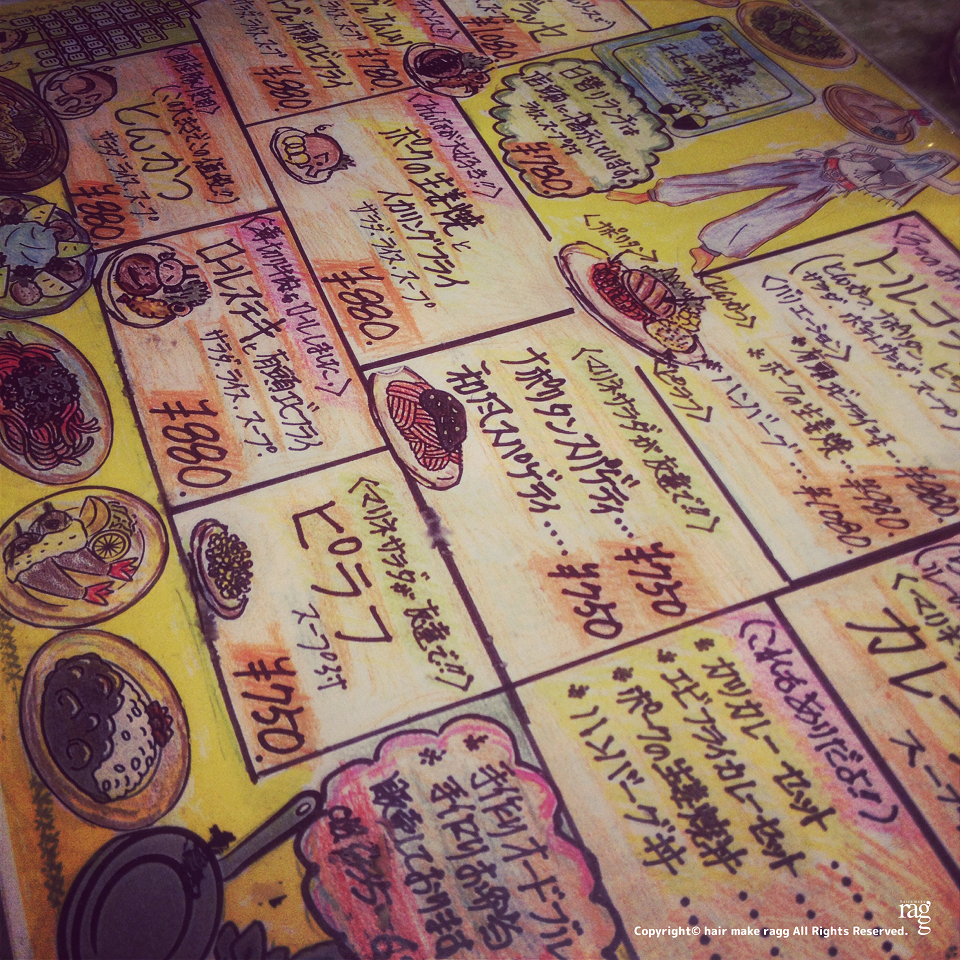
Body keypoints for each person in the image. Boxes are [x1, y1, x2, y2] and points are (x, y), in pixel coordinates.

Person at [608, 142, 960, 272]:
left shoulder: (922, 178)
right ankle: (651, 196)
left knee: (772, 216)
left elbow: (949, 187)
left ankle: (709, 250)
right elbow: (854, 147)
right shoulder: (893, 152)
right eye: (935, 157)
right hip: (819, 166)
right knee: (739, 178)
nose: (935, 160)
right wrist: (831, 153)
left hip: (831, 187)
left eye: (940, 161)